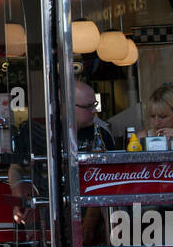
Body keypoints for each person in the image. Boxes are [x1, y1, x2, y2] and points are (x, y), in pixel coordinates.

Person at [9, 80, 116, 221]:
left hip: (89, 212)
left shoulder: (101, 134)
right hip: (49, 212)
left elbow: (108, 181)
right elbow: (16, 168)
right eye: (89, 107)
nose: (94, 111)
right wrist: (19, 197)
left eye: (94, 105)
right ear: (67, 107)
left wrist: (90, 223)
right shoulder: (43, 133)